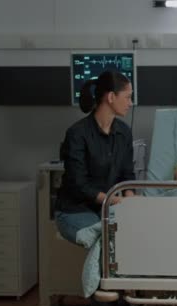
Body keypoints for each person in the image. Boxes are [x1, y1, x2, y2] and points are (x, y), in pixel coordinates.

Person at [55, 70, 136, 244]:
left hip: (105, 208)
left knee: (134, 235)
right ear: (111, 97)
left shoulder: (124, 133)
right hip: (74, 210)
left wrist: (130, 201)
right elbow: (79, 185)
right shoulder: (77, 134)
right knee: (106, 241)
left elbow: (127, 174)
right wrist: (115, 200)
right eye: (128, 97)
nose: (131, 103)